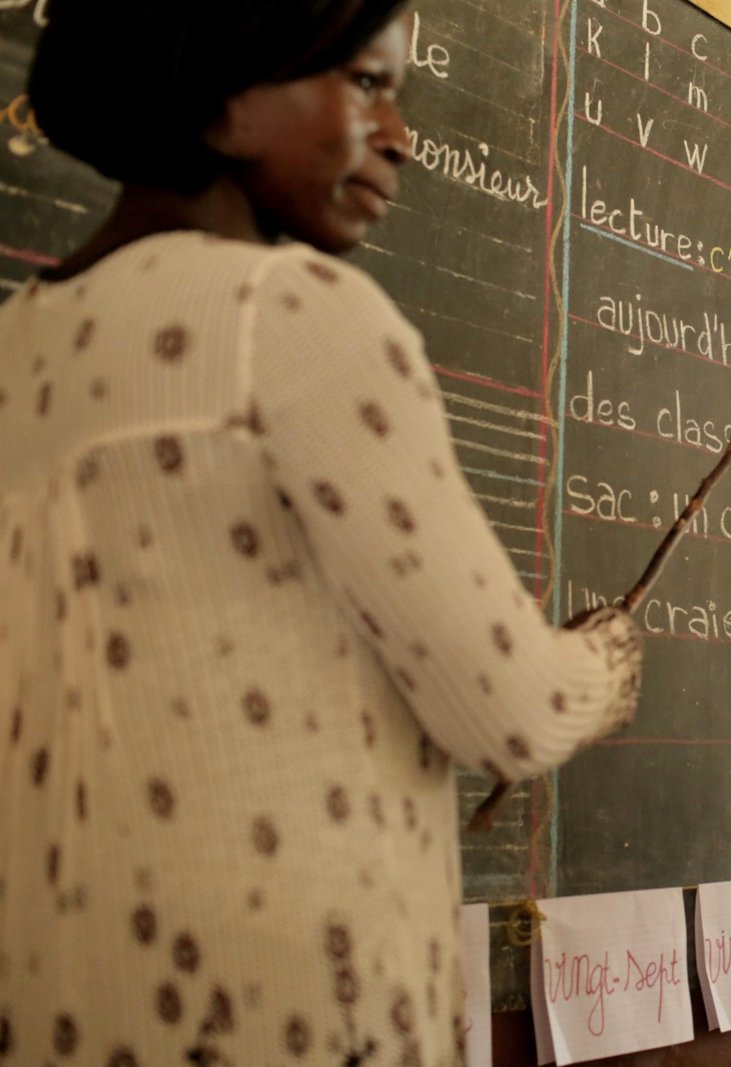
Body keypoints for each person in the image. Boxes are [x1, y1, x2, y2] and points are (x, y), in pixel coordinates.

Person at [0, 2, 641, 1061]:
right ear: (218, 88)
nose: (399, 134)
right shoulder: (288, 314)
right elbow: (511, 711)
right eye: (365, 83)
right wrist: (607, 657)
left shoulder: (19, 341)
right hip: (280, 1011)